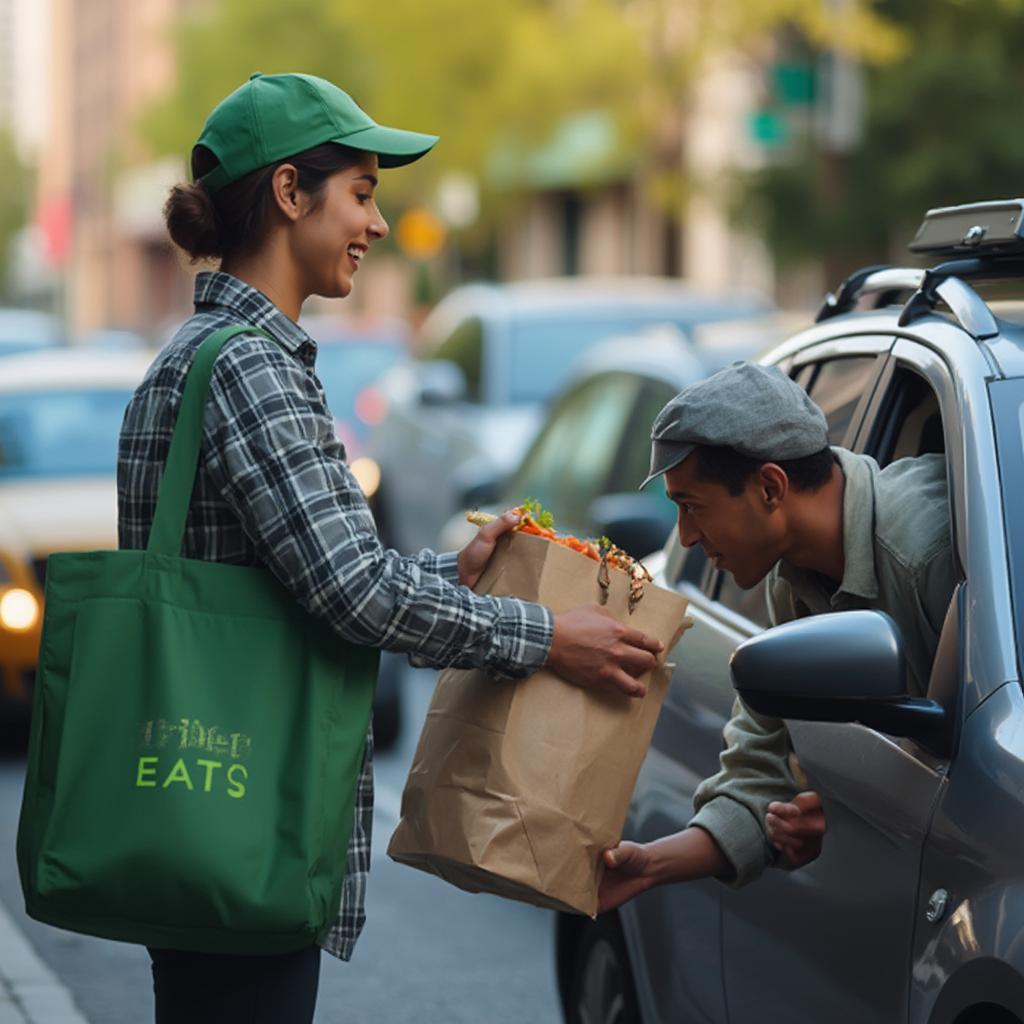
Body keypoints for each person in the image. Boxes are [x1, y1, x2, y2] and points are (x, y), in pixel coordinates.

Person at [117, 72, 663, 1023]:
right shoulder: (251, 367)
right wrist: (545, 635)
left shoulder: (198, 352)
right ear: (290, 194)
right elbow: (352, 595)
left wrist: (447, 573)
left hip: (205, 796)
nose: (375, 223)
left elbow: (301, 576)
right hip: (247, 805)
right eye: (361, 194)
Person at [597, 360, 957, 911]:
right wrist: (648, 867)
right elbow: (757, 767)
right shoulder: (791, 579)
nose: (687, 537)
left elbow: (983, 763)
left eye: (692, 507)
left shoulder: (926, 556)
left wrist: (841, 809)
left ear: (770, 487)